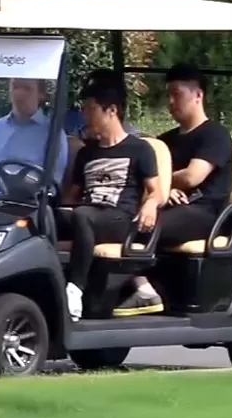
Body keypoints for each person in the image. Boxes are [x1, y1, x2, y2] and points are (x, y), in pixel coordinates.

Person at [112, 63, 232, 317]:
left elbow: (192, 177)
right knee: (116, 220)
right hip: (171, 208)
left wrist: (165, 183)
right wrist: (163, 191)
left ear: (198, 95)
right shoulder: (165, 141)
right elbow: (149, 180)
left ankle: (143, 288)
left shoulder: (215, 136)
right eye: (168, 94)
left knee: (142, 225)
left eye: (177, 94)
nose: (170, 101)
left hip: (204, 214)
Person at [57, 81, 165, 321]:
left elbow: (156, 191)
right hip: (88, 214)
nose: (85, 115)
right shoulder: (87, 153)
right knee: (43, 217)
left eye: (90, 109)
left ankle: (74, 291)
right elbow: (72, 195)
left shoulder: (140, 149)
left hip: (120, 219)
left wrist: (149, 204)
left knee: (83, 216)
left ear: (112, 111)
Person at [0, 78, 68, 194]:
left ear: (41, 94)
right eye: (15, 87)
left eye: (26, 89)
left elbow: (54, 183)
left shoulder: (53, 133)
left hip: (32, 204)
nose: (19, 94)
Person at [63, 69, 140, 139]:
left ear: (112, 110)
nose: (85, 115)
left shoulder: (132, 141)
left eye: (92, 108)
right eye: (84, 108)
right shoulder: (72, 124)